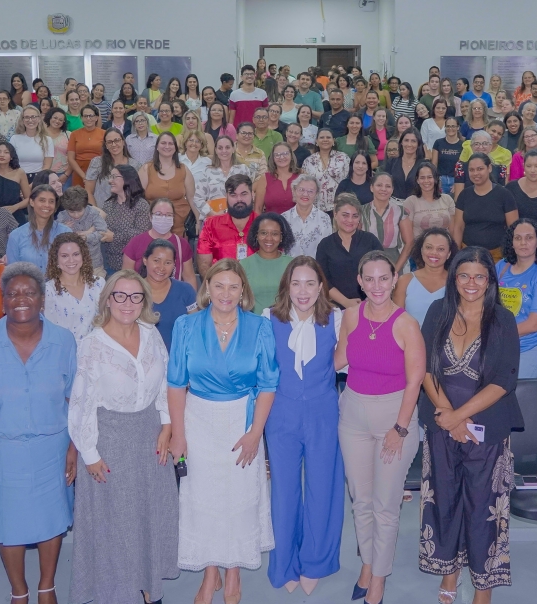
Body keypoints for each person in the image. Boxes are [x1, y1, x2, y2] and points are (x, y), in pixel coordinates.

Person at [0, 263, 78, 604]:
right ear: (3, 301)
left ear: (42, 299)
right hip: (1, 451)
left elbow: (75, 400)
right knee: (8, 523)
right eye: (12, 293)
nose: (21, 299)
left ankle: (47, 588)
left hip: (53, 448)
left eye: (29, 292)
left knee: (51, 518)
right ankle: (19, 591)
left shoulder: (63, 340)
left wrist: (74, 447)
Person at [63, 269, 180, 604]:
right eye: (120, 295)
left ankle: (150, 590)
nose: (127, 303)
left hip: (150, 438)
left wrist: (167, 425)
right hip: (109, 442)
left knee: (149, 517)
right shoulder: (92, 344)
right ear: (108, 300)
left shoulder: (151, 334)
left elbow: (166, 382)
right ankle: (119, 594)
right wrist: (89, 454)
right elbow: (81, 403)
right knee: (117, 525)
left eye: (135, 296)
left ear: (144, 301)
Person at [413, 246, 522, 602]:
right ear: (453, 278)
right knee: (444, 502)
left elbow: (505, 379)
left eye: (479, 276)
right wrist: (447, 414)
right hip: (441, 426)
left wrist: (458, 417)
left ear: (490, 280)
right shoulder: (438, 311)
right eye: (463, 275)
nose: (471, 283)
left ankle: (483, 587)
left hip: (486, 430)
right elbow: (424, 366)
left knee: (482, 509)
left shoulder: (502, 319)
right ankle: (449, 574)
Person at [167, 259, 278, 604]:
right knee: (204, 499)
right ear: (207, 288)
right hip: (198, 420)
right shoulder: (186, 325)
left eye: (233, 286)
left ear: (243, 290)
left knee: (238, 498)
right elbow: (176, 383)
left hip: (242, 421)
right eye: (219, 285)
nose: (226, 293)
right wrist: (178, 435)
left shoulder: (259, 327)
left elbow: (268, 384)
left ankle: (233, 572)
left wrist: (255, 433)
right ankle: (210, 570)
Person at [334, 251, 425, 604]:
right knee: (361, 500)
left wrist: (400, 429)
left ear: (394, 279)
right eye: (369, 279)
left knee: (385, 505)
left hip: (394, 416)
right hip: (353, 415)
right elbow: (338, 360)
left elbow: (415, 381)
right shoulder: (350, 316)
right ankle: (368, 564)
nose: (376, 286)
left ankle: (379, 579)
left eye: (383, 278)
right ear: (359, 281)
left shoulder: (406, 324)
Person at [260, 257, 345, 594]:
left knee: (323, 487)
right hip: (281, 413)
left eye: (310, 283)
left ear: (321, 286)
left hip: (323, 412)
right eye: (296, 283)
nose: (303, 291)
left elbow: (344, 362)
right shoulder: (268, 318)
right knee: (284, 490)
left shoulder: (336, 319)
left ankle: (316, 560)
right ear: (287, 286)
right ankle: (284, 562)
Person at [495, 218, 537, 379]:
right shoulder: (501, 266)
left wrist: (495, 333)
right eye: (518, 238)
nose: (523, 243)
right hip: (496, 347)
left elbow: (533, 325)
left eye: (529, 237)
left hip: (527, 348)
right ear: (512, 242)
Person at [315, 193, 382, 309]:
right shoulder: (325, 245)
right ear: (335, 214)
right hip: (335, 307)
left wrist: (371, 298)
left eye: (355, 216)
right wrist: (345, 302)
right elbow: (323, 279)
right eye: (345, 215)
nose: (350, 220)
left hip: (371, 304)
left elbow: (383, 271)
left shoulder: (370, 240)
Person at [452, 154, 518, 258]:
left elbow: (513, 228)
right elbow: (458, 227)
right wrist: (456, 255)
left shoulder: (504, 195)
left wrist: (511, 255)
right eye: (471, 170)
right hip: (468, 254)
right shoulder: (464, 195)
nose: (475, 173)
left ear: (489, 168)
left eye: (480, 169)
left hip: (498, 255)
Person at [195, 173, 256, 272]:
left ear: (252, 195)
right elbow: (204, 265)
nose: (239, 199)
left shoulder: (263, 223)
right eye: (233, 195)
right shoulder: (211, 224)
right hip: (221, 280)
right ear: (226, 197)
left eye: (244, 194)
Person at [5, 184, 70, 267]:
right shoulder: (16, 236)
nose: (47, 205)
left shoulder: (65, 232)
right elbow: (12, 270)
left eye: (51, 201)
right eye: (42, 200)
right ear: (32, 202)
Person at [282, 174, 333, 259]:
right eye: (301, 190)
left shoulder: (324, 219)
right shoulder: (284, 218)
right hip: (289, 266)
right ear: (294, 190)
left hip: (315, 266)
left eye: (310, 191)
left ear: (316, 194)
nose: (305, 194)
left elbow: (327, 249)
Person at [0, 142, 31, 227]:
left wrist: (15, 207)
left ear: (12, 156)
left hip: (15, 215)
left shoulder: (19, 172)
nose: (2, 155)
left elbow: (29, 199)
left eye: (6, 152)